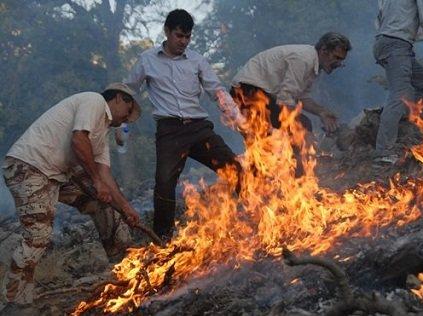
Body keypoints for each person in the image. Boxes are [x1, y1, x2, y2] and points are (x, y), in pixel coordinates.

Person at [1, 83, 141, 308]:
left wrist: (126, 208)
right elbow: (78, 140)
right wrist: (96, 181)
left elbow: (105, 176)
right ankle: (14, 303)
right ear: (118, 99)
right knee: (38, 236)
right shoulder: (94, 101)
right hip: (28, 167)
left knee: (103, 203)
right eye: (128, 111)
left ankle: (127, 268)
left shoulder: (101, 134)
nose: (126, 120)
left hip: (56, 175)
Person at [124, 9, 242, 239]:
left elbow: (216, 91)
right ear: (167, 32)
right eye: (179, 36)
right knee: (164, 185)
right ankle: (163, 239)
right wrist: (121, 125)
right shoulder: (147, 59)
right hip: (169, 131)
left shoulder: (197, 60)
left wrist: (239, 118)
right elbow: (129, 90)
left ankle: (262, 215)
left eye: (188, 37)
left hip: (198, 129)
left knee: (234, 168)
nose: (184, 42)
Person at [230, 32, 351, 135]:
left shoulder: (315, 67)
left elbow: (302, 98)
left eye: (341, 60)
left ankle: (296, 159)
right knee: (299, 125)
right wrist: (301, 132)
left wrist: (322, 112)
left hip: (257, 93)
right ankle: (296, 159)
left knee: (300, 124)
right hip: (246, 92)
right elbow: (285, 98)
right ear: (324, 50)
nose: (339, 64)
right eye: (337, 58)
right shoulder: (304, 60)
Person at [373, 0, 423, 165]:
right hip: (397, 45)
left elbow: (380, 17)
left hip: (385, 43)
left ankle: (419, 133)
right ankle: (383, 153)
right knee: (401, 94)